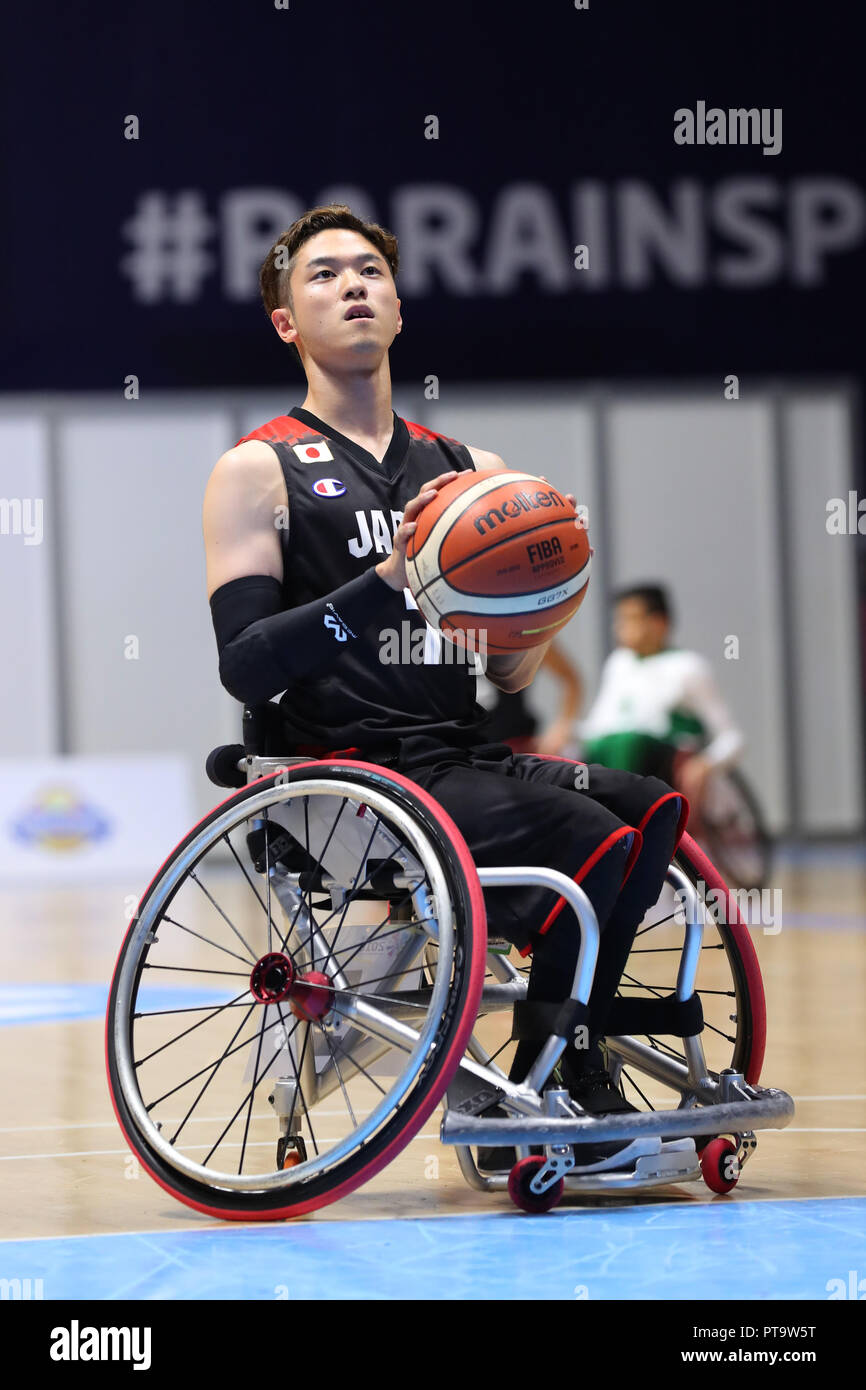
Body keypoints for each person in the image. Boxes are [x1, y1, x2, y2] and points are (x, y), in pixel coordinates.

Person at [202, 205, 688, 1173]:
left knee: (647, 805)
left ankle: (564, 1044)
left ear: (396, 300)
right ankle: (549, 1079)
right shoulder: (255, 471)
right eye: (325, 274)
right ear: (285, 321)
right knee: (588, 841)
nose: (353, 285)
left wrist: (535, 605)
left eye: (371, 271)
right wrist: (389, 584)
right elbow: (246, 663)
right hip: (350, 772)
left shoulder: (471, 476)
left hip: (460, 756)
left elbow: (504, 671)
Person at [580, 585, 744, 816]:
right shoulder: (619, 664)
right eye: (619, 619)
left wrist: (706, 764)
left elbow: (732, 738)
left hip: (661, 768)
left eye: (630, 619)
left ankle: (623, 822)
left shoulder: (689, 667)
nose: (619, 627)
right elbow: (596, 727)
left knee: (628, 743)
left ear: (659, 623)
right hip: (611, 761)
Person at [475, 640, 583, 756]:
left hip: (514, 746)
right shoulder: (457, 635)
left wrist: (561, 729)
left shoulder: (525, 631)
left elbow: (570, 680)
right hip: (466, 748)